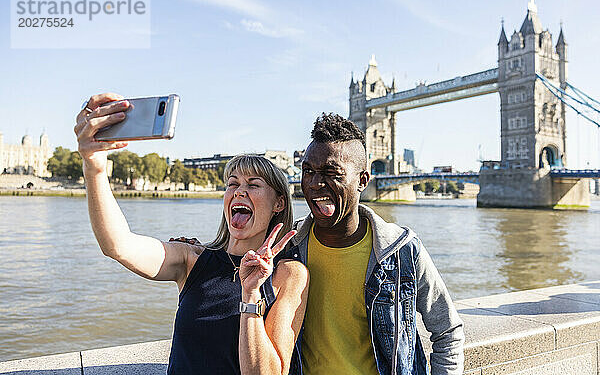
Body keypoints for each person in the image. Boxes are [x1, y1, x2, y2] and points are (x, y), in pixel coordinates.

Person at [74, 93, 309, 375]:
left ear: (279, 203)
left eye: (253, 184)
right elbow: (118, 245)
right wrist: (94, 165)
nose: (239, 191)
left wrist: (250, 293)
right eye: (232, 183)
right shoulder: (192, 259)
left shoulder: (289, 274)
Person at [285, 113, 464, 375]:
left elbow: (448, 332)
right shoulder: (287, 246)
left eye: (331, 173)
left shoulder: (403, 250)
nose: (314, 183)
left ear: (362, 181)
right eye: (308, 171)